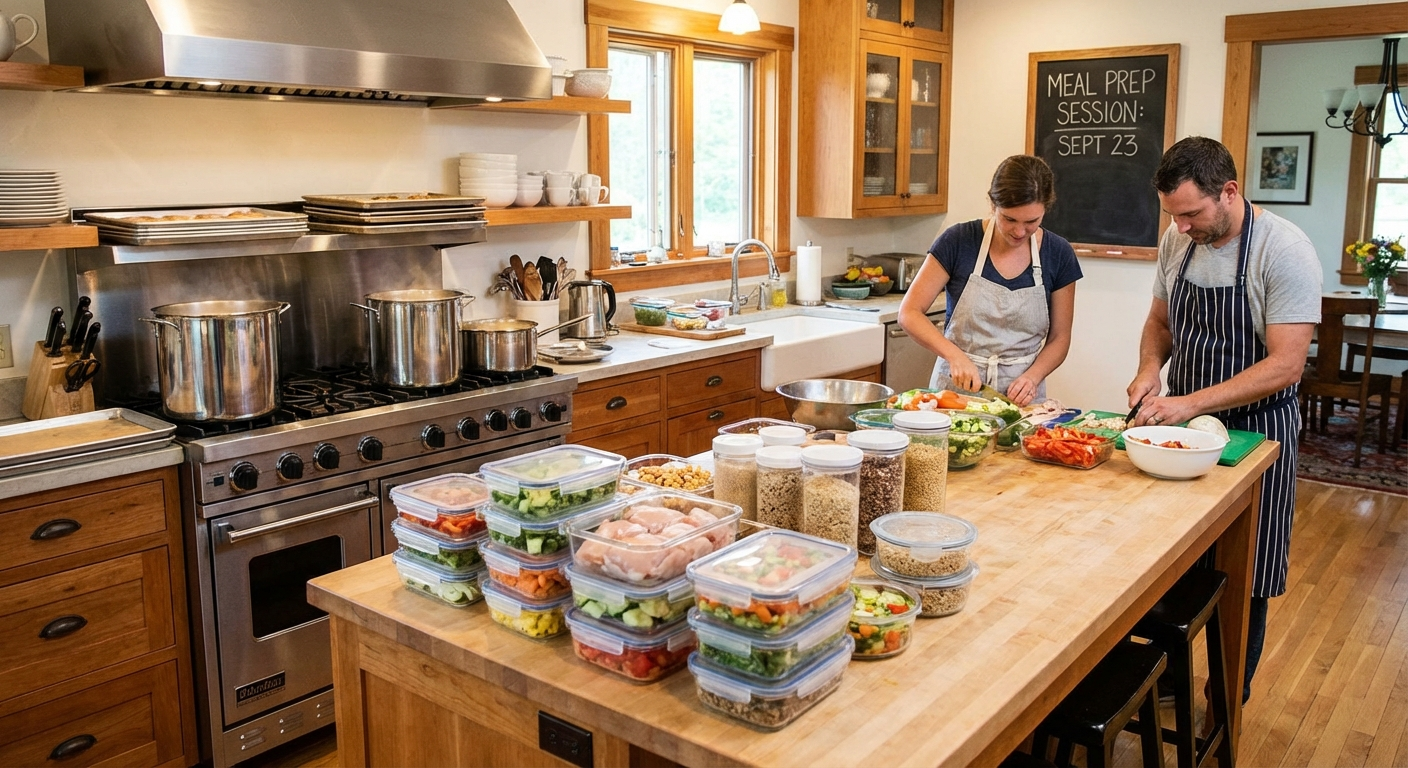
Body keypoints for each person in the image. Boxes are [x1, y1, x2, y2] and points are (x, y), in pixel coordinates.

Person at [1127, 136, 1321, 703]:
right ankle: (1164, 681)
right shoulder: (1177, 241)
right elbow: (1160, 323)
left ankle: (1226, 697)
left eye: (1191, 213)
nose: (1181, 227)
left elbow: (1285, 366)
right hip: (1182, 431)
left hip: (1259, 433)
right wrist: (1148, 372)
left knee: (1247, 573)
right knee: (1173, 559)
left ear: (1229, 192)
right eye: (1173, 215)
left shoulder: (1283, 250)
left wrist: (1190, 403)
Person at [898, 155, 1082, 405]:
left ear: (1045, 210)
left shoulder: (1058, 254)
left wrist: (1032, 377)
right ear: (992, 204)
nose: (1019, 232)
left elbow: (1060, 337)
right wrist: (955, 356)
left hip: (1023, 398)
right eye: (1009, 219)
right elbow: (909, 312)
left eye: (1031, 222)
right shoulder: (958, 241)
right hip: (955, 394)